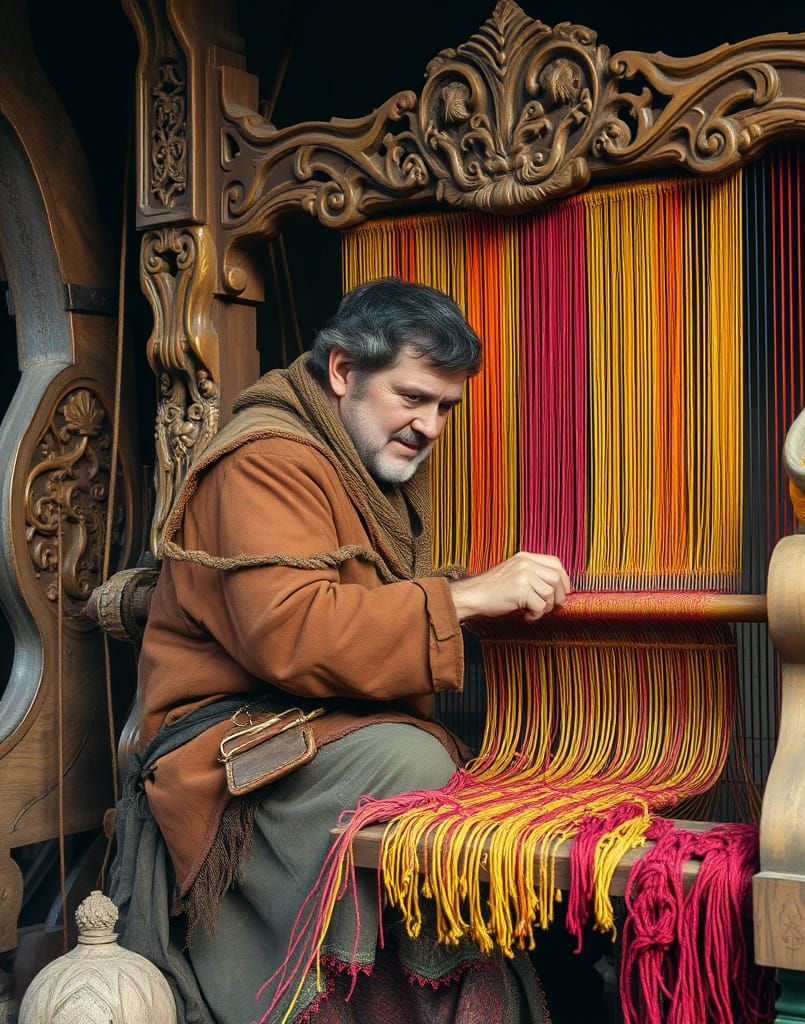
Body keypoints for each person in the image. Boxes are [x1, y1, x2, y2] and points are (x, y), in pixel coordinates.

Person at [117, 278, 570, 1024]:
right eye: (412, 398)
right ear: (342, 373)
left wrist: (478, 597)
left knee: (478, 755)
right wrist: (462, 598)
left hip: (305, 719)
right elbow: (290, 631)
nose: (430, 426)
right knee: (413, 762)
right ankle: (362, 1003)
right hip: (224, 738)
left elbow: (346, 603)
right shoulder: (262, 460)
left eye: (445, 408)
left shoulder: (351, 462)